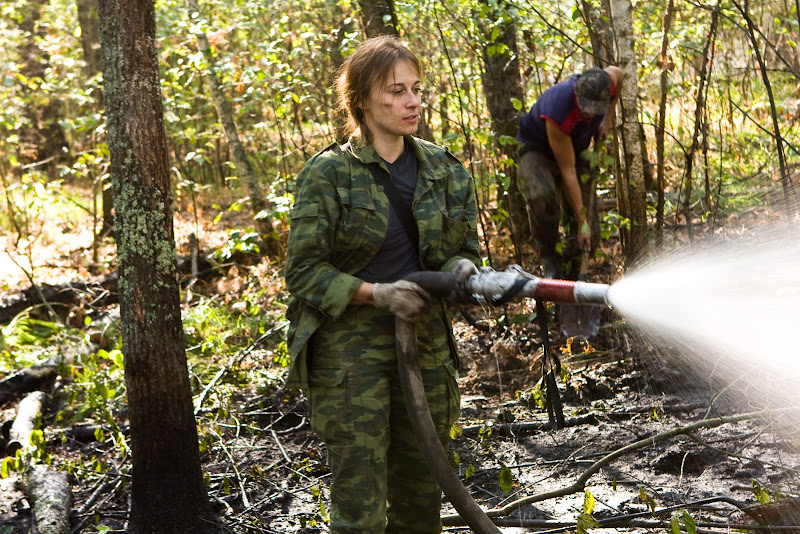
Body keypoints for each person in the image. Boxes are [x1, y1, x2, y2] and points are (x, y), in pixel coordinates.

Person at [284, 35, 480, 533]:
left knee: (422, 489)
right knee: (361, 501)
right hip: (349, 354)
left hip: (427, 345)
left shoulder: (444, 169)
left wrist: (461, 271)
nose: (411, 101)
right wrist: (376, 293)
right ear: (361, 100)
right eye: (395, 91)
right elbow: (304, 271)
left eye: (415, 89)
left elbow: (464, 249)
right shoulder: (328, 174)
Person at [516, 66, 623, 280]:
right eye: (585, 109)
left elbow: (618, 75)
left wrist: (606, 120)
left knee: (589, 234)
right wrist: (581, 220)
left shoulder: (607, 82)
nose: (590, 114)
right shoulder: (558, 109)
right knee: (542, 198)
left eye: (595, 109)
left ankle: (573, 276)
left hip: (576, 148)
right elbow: (568, 172)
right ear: (576, 93)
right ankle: (549, 259)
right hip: (538, 148)